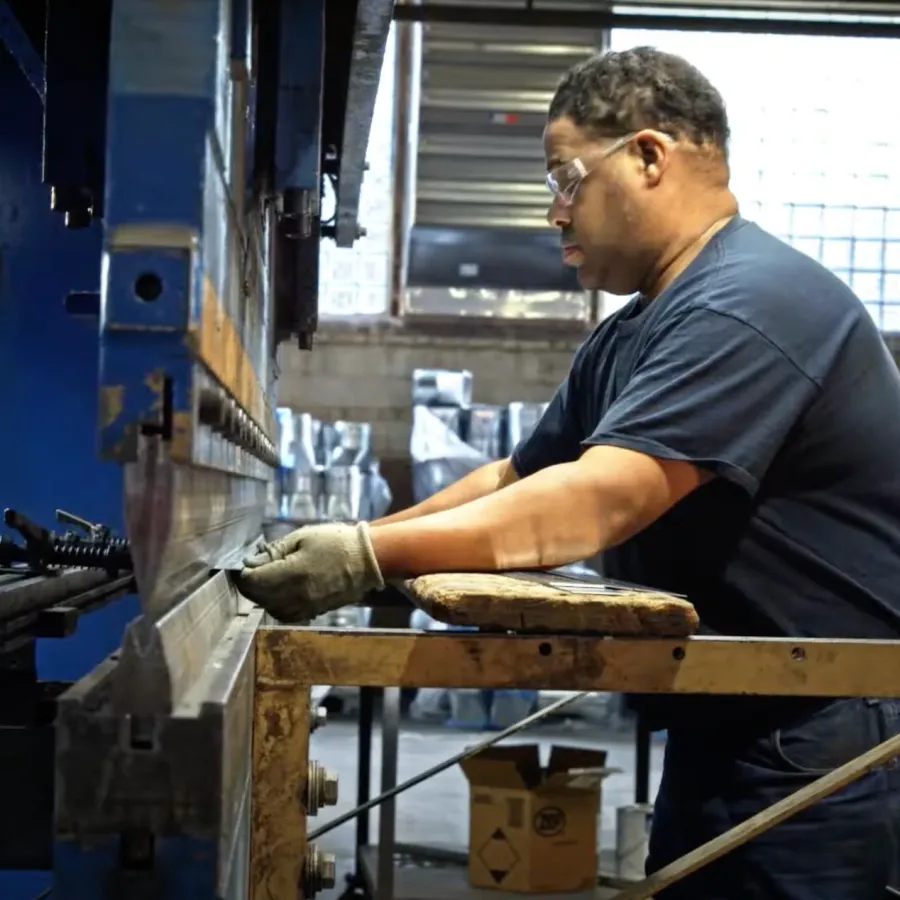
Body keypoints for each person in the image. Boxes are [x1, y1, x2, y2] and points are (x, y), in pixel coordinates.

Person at [237, 47, 900, 898]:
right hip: (740, 714)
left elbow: (599, 500)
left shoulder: (750, 303)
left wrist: (369, 557)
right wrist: (354, 542)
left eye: (565, 179)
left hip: (830, 726)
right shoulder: (637, 329)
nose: (554, 212)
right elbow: (519, 478)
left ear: (649, 157)